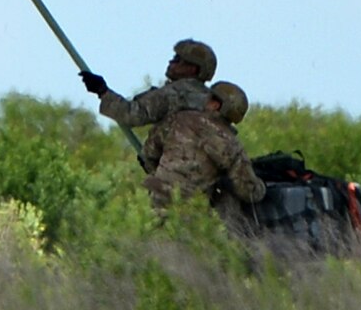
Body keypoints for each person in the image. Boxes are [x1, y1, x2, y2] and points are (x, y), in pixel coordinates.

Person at [140, 79, 264, 226]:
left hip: (155, 201)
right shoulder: (230, 143)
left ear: (216, 104)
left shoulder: (178, 119)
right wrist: (262, 188)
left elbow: (149, 153)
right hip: (193, 214)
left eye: (209, 98)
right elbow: (247, 190)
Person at [80, 38, 216, 130]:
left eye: (177, 59)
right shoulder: (211, 100)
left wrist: (102, 91)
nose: (171, 62)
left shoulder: (175, 93)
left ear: (192, 69)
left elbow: (132, 115)